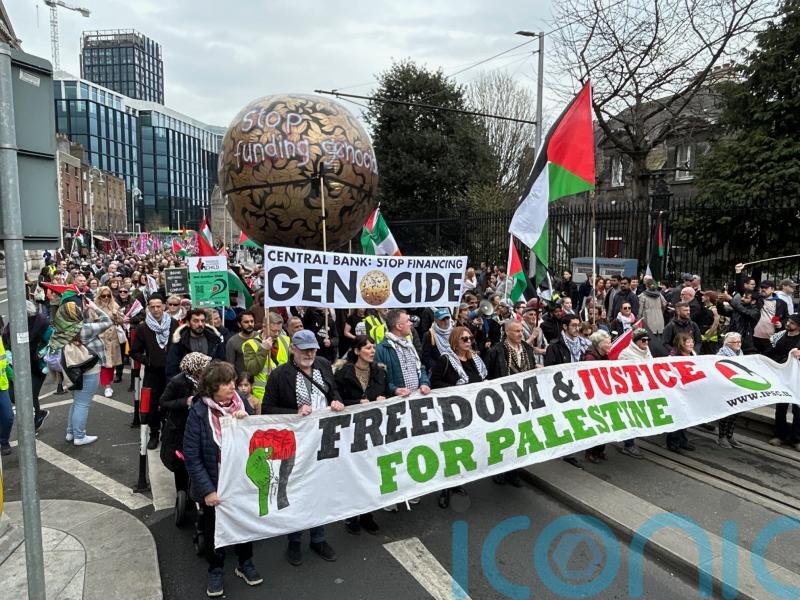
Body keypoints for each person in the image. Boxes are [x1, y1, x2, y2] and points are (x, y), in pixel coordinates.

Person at [263, 330, 343, 566]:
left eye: (313, 348)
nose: (310, 353)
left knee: (319, 488)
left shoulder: (323, 365)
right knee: (296, 490)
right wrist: (294, 414)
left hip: (322, 439)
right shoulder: (279, 375)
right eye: (305, 349)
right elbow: (267, 409)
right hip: (295, 442)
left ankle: (318, 538)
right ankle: (294, 540)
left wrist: (335, 400)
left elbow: (332, 389)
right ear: (292, 349)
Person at [183, 361, 262, 597]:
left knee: (244, 523)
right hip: (214, 482)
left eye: (232, 382)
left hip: (240, 480)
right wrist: (207, 490)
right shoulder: (198, 412)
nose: (232, 387)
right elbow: (192, 456)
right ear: (211, 388)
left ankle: (244, 562)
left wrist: (244, 420)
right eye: (225, 384)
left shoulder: (241, 402)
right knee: (213, 527)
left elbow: (253, 438)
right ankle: (215, 569)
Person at [334, 335, 388, 534]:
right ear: (357, 351)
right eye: (367, 347)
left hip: (373, 429)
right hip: (351, 430)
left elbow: (384, 393)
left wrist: (383, 398)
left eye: (373, 347)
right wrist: (357, 403)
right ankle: (351, 515)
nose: (372, 350)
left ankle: (367, 513)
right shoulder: (342, 373)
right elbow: (337, 399)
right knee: (353, 472)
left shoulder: (379, 372)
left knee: (371, 470)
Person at [50, 299, 113, 446]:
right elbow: (107, 321)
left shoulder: (60, 329)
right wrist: (95, 308)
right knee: (83, 404)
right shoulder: (84, 328)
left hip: (71, 370)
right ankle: (79, 436)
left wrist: (84, 312)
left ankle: (71, 432)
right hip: (89, 368)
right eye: (76, 309)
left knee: (77, 401)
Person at [487, 320, 538, 483]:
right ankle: (499, 471)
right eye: (516, 331)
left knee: (520, 436)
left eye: (521, 331)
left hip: (523, 399)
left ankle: (514, 472)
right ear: (507, 332)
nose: (520, 333)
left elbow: (531, 367)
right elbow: (488, 376)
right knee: (504, 437)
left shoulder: (527, 348)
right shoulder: (496, 351)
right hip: (504, 400)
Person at [159, 352, 212, 501]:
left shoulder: (206, 382)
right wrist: (185, 401)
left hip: (200, 427)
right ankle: (182, 494)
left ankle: (195, 490)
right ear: (195, 369)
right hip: (180, 429)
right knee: (181, 465)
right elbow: (164, 402)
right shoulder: (177, 382)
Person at [130, 294, 179, 450]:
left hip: (171, 372)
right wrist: (148, 360)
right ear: (149, 308)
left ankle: (168, 432)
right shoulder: (143, 328)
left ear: (164, 306)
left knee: (170, 402)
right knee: (152, 404)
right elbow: (134, 351)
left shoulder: (173, 323)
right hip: (153, 372)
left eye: (159, 306)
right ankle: (153, 433)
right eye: (153, 307)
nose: (156, 309)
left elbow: (179, 345)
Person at [374, 309, 431, 399]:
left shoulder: (410, 345)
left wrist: (424, 383)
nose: (411, 323)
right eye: (407, 321)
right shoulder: (381, 349)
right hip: (397, 405)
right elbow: (377, 380)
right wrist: (395, 390)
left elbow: (420, 367)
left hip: (417, 399)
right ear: (399, 326)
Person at [616, 329, 652, 458]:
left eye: (648, 340)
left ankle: (632, 441)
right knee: (631, 417)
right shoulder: (626, 354)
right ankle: (628, 445)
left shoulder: (647, 351)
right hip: (631, 392)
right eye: (643, 340)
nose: (646, 342)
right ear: (636, 341)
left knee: (640, 416)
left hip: (644, 390)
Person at [242, 312, 292, 406]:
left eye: (279, 331)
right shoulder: (250, 344)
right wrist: (263, 350)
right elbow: (252, 370)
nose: (277, 334)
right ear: (264, 327)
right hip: (261, 396)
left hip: (283, 393)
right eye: (273, 331)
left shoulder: (286, 340)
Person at [766, 314, 800, 448]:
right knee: (781, 407)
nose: (788, 324)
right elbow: (771, 350)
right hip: (781, 375)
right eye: (788, 321)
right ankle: (779, 434)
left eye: (792, 323)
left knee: (798, 409)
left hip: (797, 378)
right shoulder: (780, 335)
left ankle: (796, 438)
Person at [581, 330, 613, 463]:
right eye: (607, 343)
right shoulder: (590, 358)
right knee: (596, 424)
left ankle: (600, 450)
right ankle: (591, 452)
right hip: (593, 395)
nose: (610, 345)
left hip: (603, 394)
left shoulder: (604, 356)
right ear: (599, 344)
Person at [166, 309, 226, 378]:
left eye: (202, 321)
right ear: (188, 323)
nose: (200, 324)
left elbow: (221, 362)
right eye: (196, 321)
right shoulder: (179, 341)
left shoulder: (215, 339)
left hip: (211, 382)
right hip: (187, 384)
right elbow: (172, 368)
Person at [666, 333, 697, 453]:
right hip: (677, 392)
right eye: (688, 342)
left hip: (689, 391)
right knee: (677, 417)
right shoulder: (672, 358)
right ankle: (672, 442)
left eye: (692, 342)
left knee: (686, 417)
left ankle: (683, 441)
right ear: (681, 344)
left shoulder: (693, 355)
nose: (691, 344)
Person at [715, 333, 746, 449]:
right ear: (728, 344)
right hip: (726, 388)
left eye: (739, 342)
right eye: (735, 342)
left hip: (738, 386)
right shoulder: (721, 355)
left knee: (735, 412)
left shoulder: (740, 353)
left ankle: (730, 436)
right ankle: (721, 437)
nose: (738, 344)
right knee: (726, 413)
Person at [94, 286, 125, 398]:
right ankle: (107, 386)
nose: (106, 298)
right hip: (101, 337)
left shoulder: (115, 305)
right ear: (99, 296)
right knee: (105, 363)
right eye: (103, 295)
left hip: (114, 337)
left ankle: (108, 383)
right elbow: (91, 322)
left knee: (111, 363)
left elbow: (122, 321)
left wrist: (117, 315)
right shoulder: (94, 306)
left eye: (108, 295)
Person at [421, 308, 452, 374]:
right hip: (438, 371)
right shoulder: (429, 335)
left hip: (453, 367)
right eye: (443, 319)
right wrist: (437, 367)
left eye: (447, 318)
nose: (446, 322)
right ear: (436, 320)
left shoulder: (454, 332)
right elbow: (426, 356)